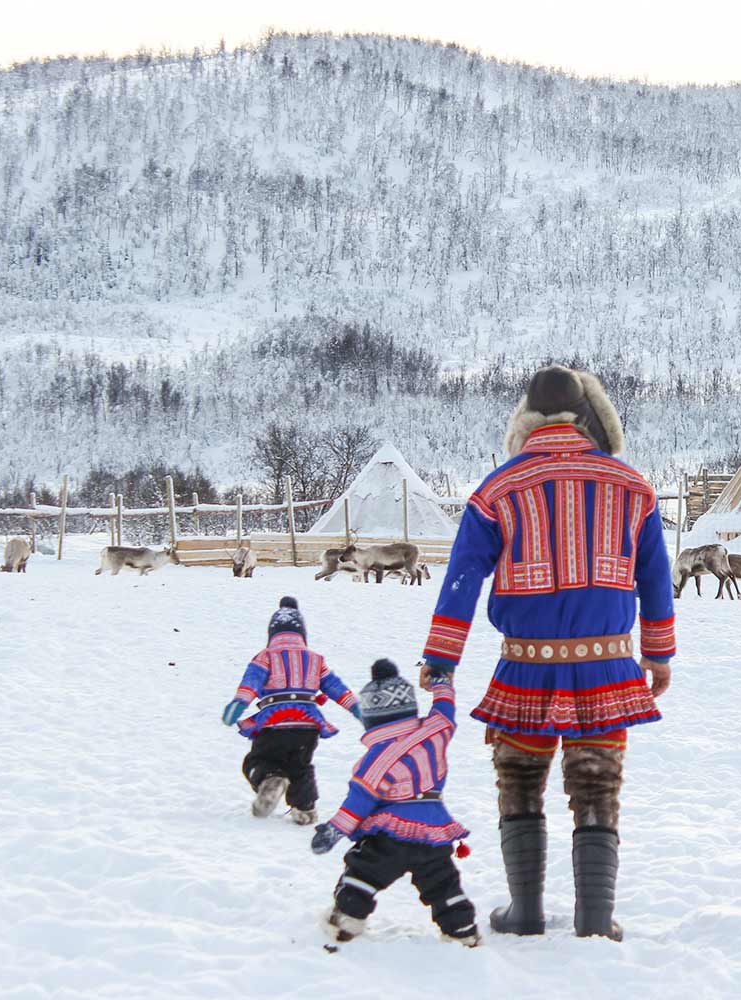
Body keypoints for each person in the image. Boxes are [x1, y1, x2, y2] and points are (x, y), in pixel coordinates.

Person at [417, 365, 675, 942]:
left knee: (520, 777)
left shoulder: (497, 490)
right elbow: (656, 578)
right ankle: (593, 917)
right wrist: (658, 656)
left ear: (527, 419)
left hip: (525, 665)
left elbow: (462, 578)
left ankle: (526, 911)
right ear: (589, 418)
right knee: (597, 782)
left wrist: (442, 660)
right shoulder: (632, 486)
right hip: (607, 664)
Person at [310, 659, 480, 948]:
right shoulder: (435, 733)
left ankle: (347, 920)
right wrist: (441, 685)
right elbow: (445, 711)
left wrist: (335, 829)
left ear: (373, 718)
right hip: (433, 832)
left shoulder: (378, 758)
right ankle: (462, 930)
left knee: (364, 871)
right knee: (441, 882)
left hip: (391, 835)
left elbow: (359, 800)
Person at [221, 597, 361, 824]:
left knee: (261, 759)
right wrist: (356, 708)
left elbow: (251, 683)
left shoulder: (265, 656)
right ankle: (304, 809)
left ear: (272, 633)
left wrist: (238, 704)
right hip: (307, 724)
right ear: (302, 634)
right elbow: (335, 686)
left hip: (274, 722)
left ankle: (270, 780)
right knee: (300, 766)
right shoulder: (315, 659)